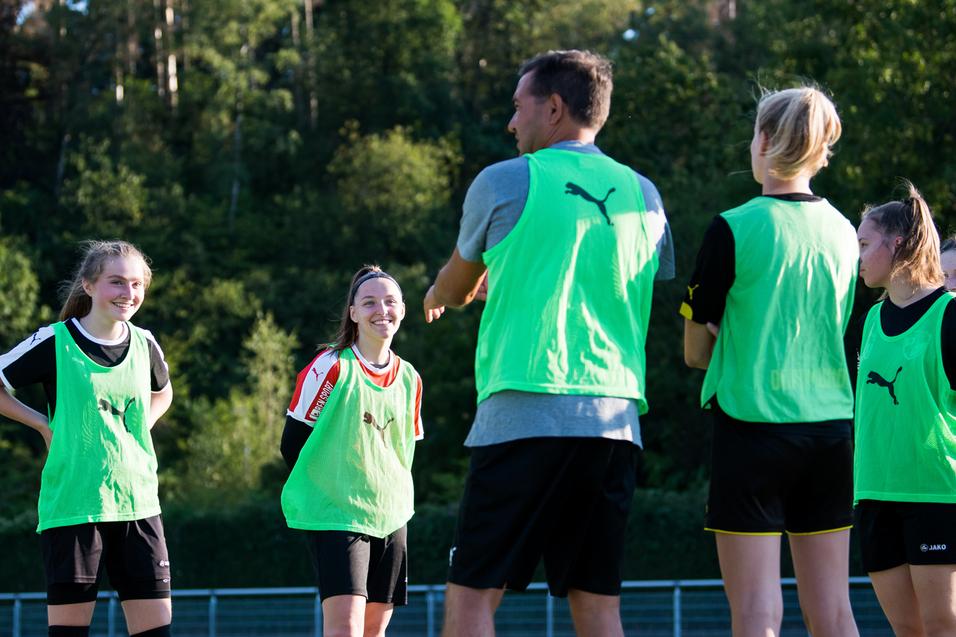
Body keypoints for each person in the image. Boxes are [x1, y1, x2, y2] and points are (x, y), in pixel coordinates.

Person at [423, 49, 674, 637]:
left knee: (470, 604)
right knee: (597, 606)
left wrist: (440, 291)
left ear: (554, 108)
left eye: (518, 107)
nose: (511, 123)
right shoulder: (645, 194)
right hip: (613, 423)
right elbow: (623, 284)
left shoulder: (504, 180)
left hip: (523, 414)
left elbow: (458, 287)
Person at [680, 86, 860, 637]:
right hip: (832, 433)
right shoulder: (845, 231)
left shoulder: (732, 226)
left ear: (763, 140)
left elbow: (695, 352)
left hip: (751, 430)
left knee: (758, 613)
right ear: (822, 147)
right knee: (833, 612)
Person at [0, 240, 174, 637]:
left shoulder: (145, 342)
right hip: (76, 507)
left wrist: (141, 422)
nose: (128, 294)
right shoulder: (55, 341)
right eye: (116, 282)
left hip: (140, 506)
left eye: (136, 284)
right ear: (89, 286)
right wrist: (45, 426)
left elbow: (164, 391)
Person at [280, 265, 423, 637]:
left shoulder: (410, 378)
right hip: (338, 516)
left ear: (403, 310)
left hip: (391, 515)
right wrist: (335, 489)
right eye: (369, 302)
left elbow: (401, 452)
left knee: (374, 631)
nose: (382, 310)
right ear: (354, 313)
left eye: (390, 301)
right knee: (345, 629)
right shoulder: (330, 366)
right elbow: (291, 444)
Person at [854, 184, 956, 637]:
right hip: (875, 493)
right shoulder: (870, 320)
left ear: (897, 245)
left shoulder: (948, 315)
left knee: (942, 626)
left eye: (863, 244)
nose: (856, 255)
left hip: (936, 494)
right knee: (906, 629)